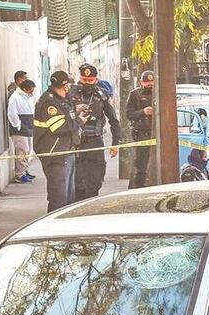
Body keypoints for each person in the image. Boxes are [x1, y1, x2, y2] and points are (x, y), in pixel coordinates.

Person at [69, 64, 122, 200]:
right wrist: (76, 111)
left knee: (95, 180)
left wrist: (115, 143)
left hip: (95, 141)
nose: (87, 83)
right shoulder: (70, 94)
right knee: (78, 182)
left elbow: (114, 120)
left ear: (96, 80)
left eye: (90, 81)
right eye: (84, 80)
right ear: (79, 78)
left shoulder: (101, 95)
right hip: (76, 143)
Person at [33, 70, 81, 213]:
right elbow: (58, 127)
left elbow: (66, 117)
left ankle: (66, 229)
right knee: (58, 198)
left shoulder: (61, 100)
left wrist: (76, 111)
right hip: (55, 155)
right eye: (67, 86)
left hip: (66, 152)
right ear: (63, 85)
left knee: (69, 198)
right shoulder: (49, 102)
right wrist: (80, 121)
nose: (69, 89)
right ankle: (53, 230)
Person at [126, 70, 155, 189]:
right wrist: (143, 112)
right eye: (147, 82)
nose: (150, 85)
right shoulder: (135, 94)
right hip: (142, 134)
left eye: (152, 82)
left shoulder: (159, 93)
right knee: (141, 165)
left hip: (157, 133)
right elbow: (129, 114)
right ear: (141, 82)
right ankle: (137, 187)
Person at [7, 79, 37, 184]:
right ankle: (20, 174)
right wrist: (18, 125)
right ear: (24, 89)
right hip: (19, 129)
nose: (32, 93)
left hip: (28, 127)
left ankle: (24, 170)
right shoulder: (15, 97)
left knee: (27, 150)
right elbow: (11, 113)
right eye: (30, 90)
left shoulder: (27, 98)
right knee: (22, 150)